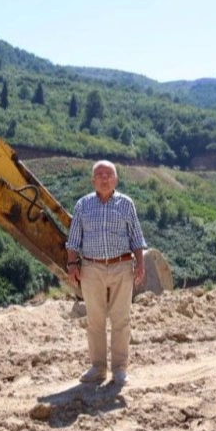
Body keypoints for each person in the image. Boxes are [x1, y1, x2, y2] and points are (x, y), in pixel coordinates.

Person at [65, 160, 147, 386]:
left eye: (109, 174)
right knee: (95, 320)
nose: (104, 178)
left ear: (116, 180)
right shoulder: (82, 205)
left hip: (122, 267)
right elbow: (73, 241)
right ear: (92, 180)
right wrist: (72, 266)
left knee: (121, 319)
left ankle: (119, 369)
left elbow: (136, 238)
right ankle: (97, 368)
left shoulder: (126, 204)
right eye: (99, 175)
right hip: (91, 268)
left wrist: (140, 263)